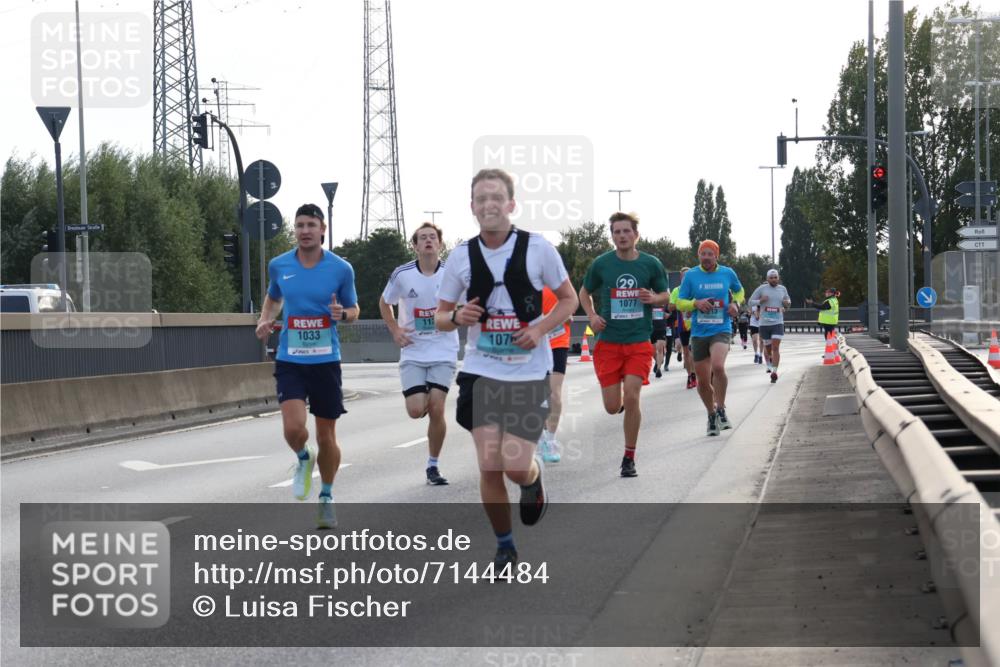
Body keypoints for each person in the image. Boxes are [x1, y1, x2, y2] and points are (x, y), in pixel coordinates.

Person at [435, 168, 577, 570]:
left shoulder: (538, 248)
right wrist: (459, 315)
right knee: (489, 462)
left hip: (529, 372)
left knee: (515, 466)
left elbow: (568, 301)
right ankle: (504, 546)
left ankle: (531, 481)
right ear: (472, 207)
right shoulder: (461, 256)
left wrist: (540, 329)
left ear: (511, 204)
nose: (489, 204)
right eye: (481, 199)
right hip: (482, 370)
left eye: (496, 197)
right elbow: (440, 318)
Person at [255, 203, 359, 529]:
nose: (305, 231)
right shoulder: (279, 265)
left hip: (326, 360)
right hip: (291, 359)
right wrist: (265, 319)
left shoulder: (341, 269)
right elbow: (274, 297)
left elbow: (354, 308)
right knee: (293, 428)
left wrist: (345, 314)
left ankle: (326, 496)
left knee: (326, 435)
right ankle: (303, 457)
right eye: (300, 225)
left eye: (311, 225)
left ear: (322, 229)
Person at [579, 212, 670, 478]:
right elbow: (584, 291)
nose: (621, 236)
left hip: (638, 342)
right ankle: (618, 404)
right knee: (611, 407)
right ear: (612, 236)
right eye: (616, 232)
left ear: (636, 235)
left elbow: (665, 296)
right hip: (608, 343)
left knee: (632, 396)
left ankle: (629, 457)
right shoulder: (602, 264)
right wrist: (592, 316)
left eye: (626, 231)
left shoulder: (651, 264)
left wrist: (652, 298)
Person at [379, 221, 459, 486]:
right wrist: (394, 329)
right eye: (422, 238)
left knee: (437, 408)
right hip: (413, 350)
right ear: (414, 246)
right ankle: (421, 394)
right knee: (416, 411)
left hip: (443, 349)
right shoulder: (402, 274)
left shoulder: (452, 272)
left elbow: (469, 302)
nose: (428, 241)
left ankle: (433, 466)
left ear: (440, 244)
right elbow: (384, 302)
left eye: (432, 237)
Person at [675, 240, 744, 437]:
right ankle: (711, 414)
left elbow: (739, 291)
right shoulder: (690, 276)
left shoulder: (727, 273)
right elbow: (680, 302)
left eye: (709, 254)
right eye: (702, 254)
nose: (706, 257)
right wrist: (695, 303)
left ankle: (721, 408)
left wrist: (736, 304)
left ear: (716, 256)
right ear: (699, 256)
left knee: (718, 366)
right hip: (698, 332)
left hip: (721, 328)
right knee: (703, 382)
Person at [538, 286, 570, 463]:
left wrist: (566, 314)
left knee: (554, 394)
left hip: (558, 341)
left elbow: (571, 302)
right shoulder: (524, 279)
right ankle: (541, 437)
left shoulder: (558, 280)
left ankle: (550, 440)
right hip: (535, 343)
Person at [748, 269, 792, 383]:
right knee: (768, 349)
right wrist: (760, 300)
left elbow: (788, 302)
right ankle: (770, 363)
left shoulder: (783, 289)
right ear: (767, 279)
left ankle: (774, 372)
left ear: (778, 278)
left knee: (775, 348)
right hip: (764, 324)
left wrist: (787, 304)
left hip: (778, 322)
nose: (773, 279)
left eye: (775, 277)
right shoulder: (761, 289)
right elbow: (750, 302)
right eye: (771, 278)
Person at [669, 267, 696, 389]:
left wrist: (693, 307)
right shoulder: (677, 290)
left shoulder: (696, 288)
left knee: (694, 351)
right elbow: (670, 306)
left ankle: (695, 374)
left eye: (688, 275)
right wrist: (680, 306)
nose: (686, 277)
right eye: (684, 276)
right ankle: (690, 376)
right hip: (683, 325)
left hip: (697, 325)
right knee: (686, 352)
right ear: (681, 277)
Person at [650, 301, 669, 378]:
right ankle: (658, 361)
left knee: (660, 349)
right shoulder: (650, 301)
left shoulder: (665, 301)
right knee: (652, 351)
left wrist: (667, 315)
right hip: (651, 328)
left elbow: (670, 312)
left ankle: (658, 369)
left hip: (661, 328)